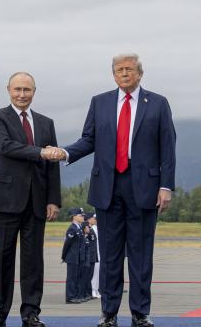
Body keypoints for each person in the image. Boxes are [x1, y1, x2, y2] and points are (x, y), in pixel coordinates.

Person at [44, 53, 176, 327]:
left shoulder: (158, 103)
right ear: (113, 75)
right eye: (119, 70)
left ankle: (141, 313)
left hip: (144, 188)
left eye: (129, 69)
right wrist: (66, 153)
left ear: (140, 73)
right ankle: (109, 313)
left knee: (140, 256)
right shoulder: (100, 102)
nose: (124, 74)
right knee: (110, 256)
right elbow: (88, 139)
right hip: (108, 187)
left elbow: (168, 146)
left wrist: (166, 186)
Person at [0, 72, 62, 327]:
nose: (22, 94)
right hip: (4, 200)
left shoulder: (46, 123)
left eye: (27, 90)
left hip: (37, 201)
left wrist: (53, 199)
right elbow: (6, 147)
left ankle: (31, 313)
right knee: (1, 259)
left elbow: (53, 167)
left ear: (34, 92)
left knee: (33, 262)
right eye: (17, 89)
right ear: (8, 90)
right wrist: (41, 152)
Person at [62, 208, 88, 303]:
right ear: (74, 217)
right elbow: (67, 244)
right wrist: (64, 256)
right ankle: (70, 297)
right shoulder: (72, 228)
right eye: (80, 215)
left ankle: (75, 295)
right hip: (72, 257)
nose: (83, 217)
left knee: (77, 277)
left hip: (78, 257)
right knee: (72, 278)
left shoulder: (79, 228)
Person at [88, 213, 101, 298]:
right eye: (94, 218)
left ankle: (96, 290)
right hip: (94, 254)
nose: (96, 220)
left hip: (99, 254)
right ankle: (92, 290)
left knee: (97, 274)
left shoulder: (98, 228)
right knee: (93, 273)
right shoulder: (90, 229)